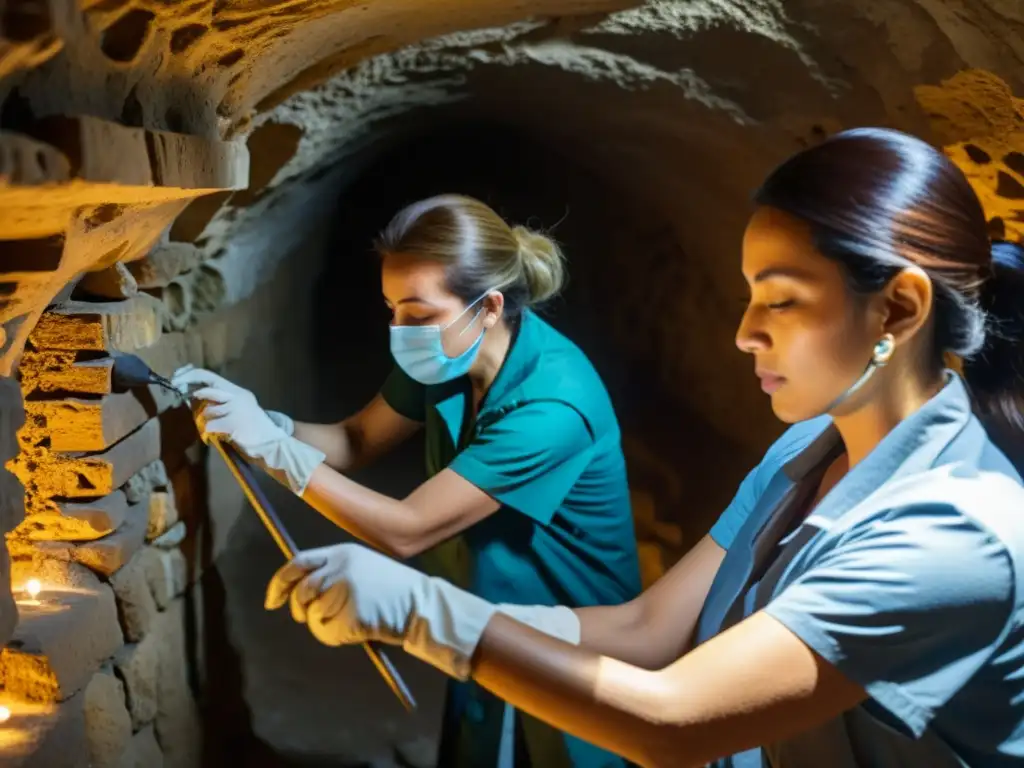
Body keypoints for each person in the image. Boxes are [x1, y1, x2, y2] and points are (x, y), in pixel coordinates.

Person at [264, 128, 1024, 768]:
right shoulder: (807, 451)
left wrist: (431, 615)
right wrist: (456, 617)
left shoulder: (953, 532)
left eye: (782, 299)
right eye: (749, 294)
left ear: (898, 307)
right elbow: (649, 629)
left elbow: (676, 722)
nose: (744, 332)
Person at [173, 194, 642, 768]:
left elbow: (408, 530)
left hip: (572, 637)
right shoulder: (446, 352)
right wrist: (268, 423)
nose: (400, 331)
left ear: (490, 307)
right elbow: (356, 441)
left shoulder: (551, 405)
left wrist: (275, 454)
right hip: (485, 613)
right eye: (392, 308)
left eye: (418, 314)